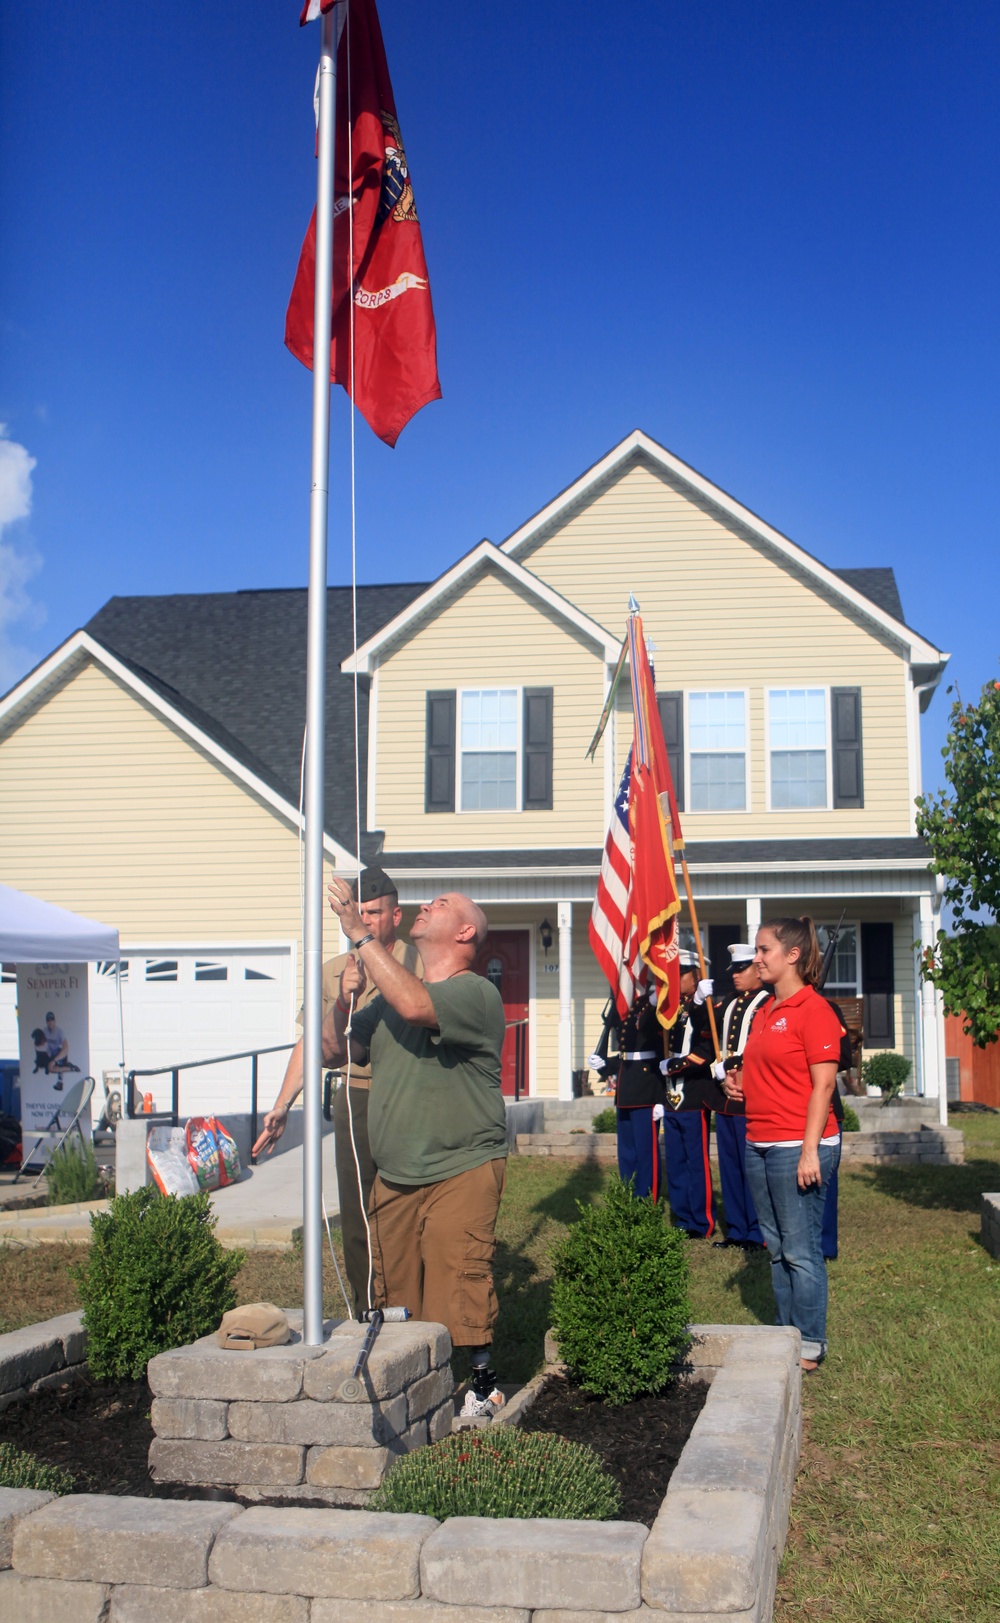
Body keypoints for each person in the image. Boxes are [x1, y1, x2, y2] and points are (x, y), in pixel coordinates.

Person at [324, 882, 509, 1421]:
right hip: (395, 1173)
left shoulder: (477, 994)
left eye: (443, 905)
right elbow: (334, 1051)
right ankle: (412, 1387)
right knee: (395, 1290)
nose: (428, 905)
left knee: (461, 1277)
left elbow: (415, 1002)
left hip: (463, 1165)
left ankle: (481, 1384)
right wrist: (343, 1000)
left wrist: (359, 935)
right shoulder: (385, 999)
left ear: (465, 931)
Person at [252, 867, 421, 1316]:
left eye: (374, 913)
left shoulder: (416, 960)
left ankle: (410, 1308)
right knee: (357, 1212)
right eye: (357, 912)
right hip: (354, 1098)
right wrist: (282, 1104)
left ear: (396, 916)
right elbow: (311, 1041)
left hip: (406, 1097)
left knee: (404, 1207)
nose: (363, 921)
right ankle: (366, 1309)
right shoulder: (332, 970)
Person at [724, 916, 842, 1372]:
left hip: (799, 1144)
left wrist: (810, 1150)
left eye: (764, 950)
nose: (757, 958)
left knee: (801, 1249)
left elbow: (823, 1087)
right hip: (760, 1139)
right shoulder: (767, 1009)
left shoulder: (815, 1011)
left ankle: (810, 1343)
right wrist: (743, 1084)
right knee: (775, 1247)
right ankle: (783, 1332)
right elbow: (773, 1073)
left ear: (792, 955)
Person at [708, 943, 768, 1252]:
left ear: (758, 970)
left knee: (752, 1167)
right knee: (730, 1165)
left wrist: (729, 1068)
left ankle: (758, 1231)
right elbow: (714, 1042)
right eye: (733, 970)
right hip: (727, 1097)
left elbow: (760, 1047)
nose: (735, 976)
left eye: (741, 970)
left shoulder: (766, 1002)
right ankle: (736, 1228)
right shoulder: (729, 1003)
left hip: (752, 1094)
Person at [659, 951, 718, 1238]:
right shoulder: (673, 1007)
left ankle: (703, 1220)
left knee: (696, 1161)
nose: (674, 978)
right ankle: (683, 1218)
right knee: (676, 1160)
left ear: (695, 976)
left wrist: (676, 1065)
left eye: (680, 973)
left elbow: (707, 1050)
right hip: (671, 1095)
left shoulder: (706, 1006)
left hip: (694, 1092)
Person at [611, 984, 666, 1201]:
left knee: (646, 1151)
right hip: (627, 1083)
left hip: (647, 1085)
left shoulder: (656, 1003)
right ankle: (629, 1196)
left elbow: (662, 1050)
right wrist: (605, 1064)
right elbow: (625, 1048)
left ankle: (646, 1199)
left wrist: (661, 1097)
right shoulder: (626, 1001)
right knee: (627, 1150)